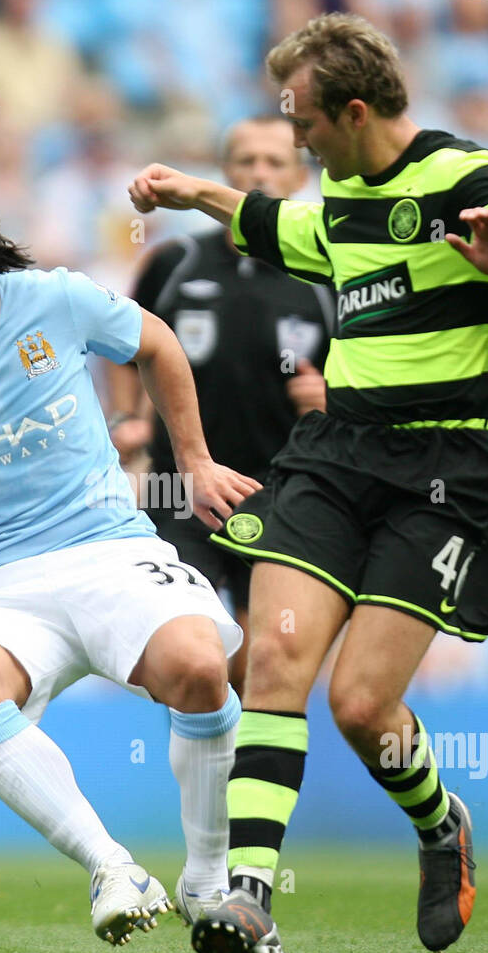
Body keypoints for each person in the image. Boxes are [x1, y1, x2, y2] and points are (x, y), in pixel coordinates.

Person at [128, 13, 488, 953]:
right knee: (273, 661)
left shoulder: (466, 177)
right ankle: (248, 899)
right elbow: (278, 223)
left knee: (361, 707)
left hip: (445, 473)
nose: (293, 140)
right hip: (337, 455)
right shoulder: (339, 202)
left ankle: (440, 823)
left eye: (300, 121)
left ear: (350, 111)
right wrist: (192, 192)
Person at [0, 186, 260, 953]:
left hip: (108, 549)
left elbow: (158, 344)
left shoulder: (55, 302)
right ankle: (113, 870)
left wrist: (196, 462)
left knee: (203, 668)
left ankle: (206, 882)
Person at [107, 114, 332, 694]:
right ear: (225, 169)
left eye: (275, 161)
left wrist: (334, 398)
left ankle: (247, 769)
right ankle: (212, 768)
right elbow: (125, 345)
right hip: (180, 488)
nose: (259, 172)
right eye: (247, 160)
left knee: (267, 655)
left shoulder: (328, 275)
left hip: (282, 489)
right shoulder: (175, 260)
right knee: (189, 652)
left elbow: (367, 370)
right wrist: (128, 417)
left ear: (301, 176)